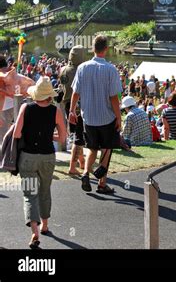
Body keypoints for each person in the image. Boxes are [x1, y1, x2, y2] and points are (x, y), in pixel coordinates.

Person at [13, 77, 67, 249]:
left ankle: (34, 231)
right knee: (45, 190)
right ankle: (45, 224)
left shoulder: (26, 107)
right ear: (49, 96)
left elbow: (16, 133)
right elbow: (63, 137)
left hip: (28, 156)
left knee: (30, 194)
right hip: (47, 156)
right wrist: (49, 136)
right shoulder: (55, 111)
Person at [69, 35, 122, 194]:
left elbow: (75, 92)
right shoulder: (111, 69)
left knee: (92, 148)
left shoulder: (82, 67)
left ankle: (86, 172)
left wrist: (72, 110)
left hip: (88, 117)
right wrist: (119, 117)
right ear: (106, 49)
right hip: (106, 117)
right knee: (107, 148)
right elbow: (114, 97)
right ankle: (102, 182)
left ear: (93, 48)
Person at [58, 45, 88, 175]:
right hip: (79, 105)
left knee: (76, 133)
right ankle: (72, 166)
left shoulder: (63, 69)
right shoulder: (82, 70)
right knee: (79, 136)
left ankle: (82, 162)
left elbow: (61, 86)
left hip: (67, 105)